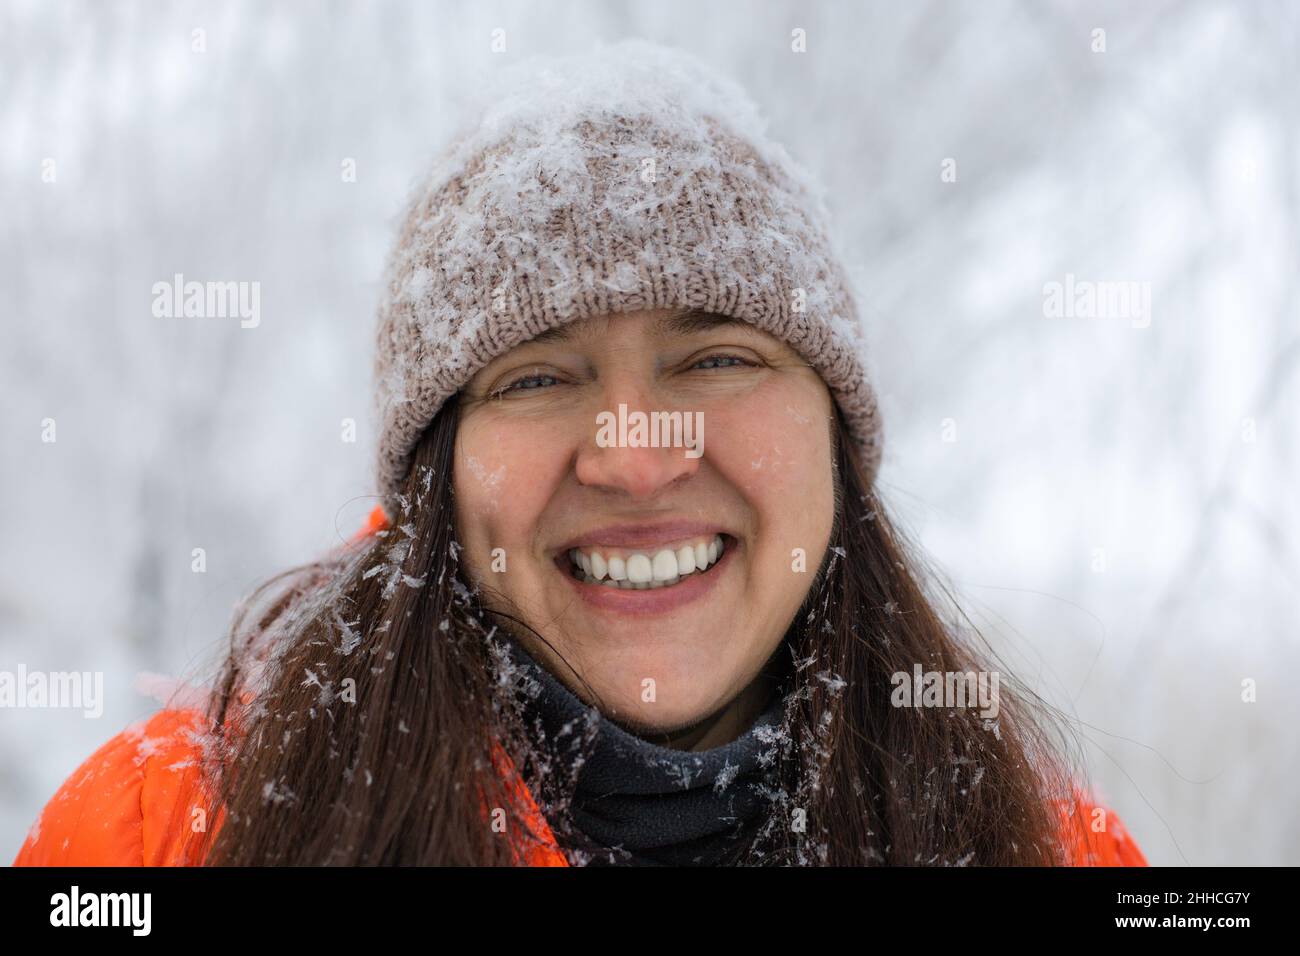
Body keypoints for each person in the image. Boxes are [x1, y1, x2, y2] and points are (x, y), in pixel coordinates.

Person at [13, 41, 1146, 867]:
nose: (636, 456)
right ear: (437, 479)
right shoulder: (158, 839)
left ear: (836, 436)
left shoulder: (1057, 851)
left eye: (715, 358)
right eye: (537, 378)